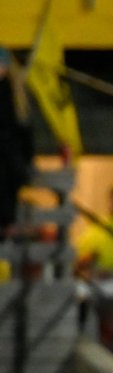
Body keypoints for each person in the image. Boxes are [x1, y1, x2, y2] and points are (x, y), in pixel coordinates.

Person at [0, 47, 34, 241]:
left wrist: (27, 156)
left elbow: (23, 127)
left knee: (8, 181)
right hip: (8, 151)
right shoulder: (14, 91)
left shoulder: (15, 91)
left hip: (9, 152)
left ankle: (8, 222)